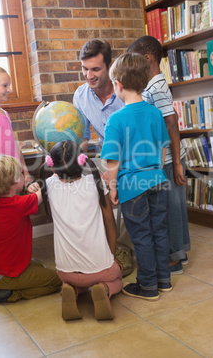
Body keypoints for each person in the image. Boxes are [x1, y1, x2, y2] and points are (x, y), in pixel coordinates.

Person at [101, 53, 171, 301]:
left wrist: (112, 189)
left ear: (118, 85)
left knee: (141, 235)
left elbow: (112, 162)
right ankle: (164, 280)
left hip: (133, 186)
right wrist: (156, 172)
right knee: (160, 232)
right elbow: (163, 148)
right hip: (159, 180)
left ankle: (148, 285)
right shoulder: (154, 114)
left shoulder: (115, 120)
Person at [35, 140, 122, 320]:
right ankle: (104, 289)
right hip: (100, 269)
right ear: (82, 162)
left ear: (52, 165)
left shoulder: (48, 186)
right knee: (117, 274)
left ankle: (71, 289)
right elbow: (110, 224)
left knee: (79, 278)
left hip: (65, 272)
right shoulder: (96, 182)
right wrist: (111, 256)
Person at [127, 36, 191, 274]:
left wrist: (176, 163)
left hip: (169, 160)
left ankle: (174, 257)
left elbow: (172, 125)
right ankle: (176, 253)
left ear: (146, 59)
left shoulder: (157, 87)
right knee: (169, 208)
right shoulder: (151, 86)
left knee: (172, 208)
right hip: (162, 159)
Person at [73, 40, 134, 276]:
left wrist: (114, 172)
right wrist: (76, 161)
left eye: (96, 69)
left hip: (132, 154)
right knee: (89, 188)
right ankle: (104, 247)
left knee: (129, 188)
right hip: (105, 153)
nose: (89, 75)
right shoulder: (81, 95)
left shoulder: (125, 92)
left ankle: (126, 249)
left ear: (108, 66)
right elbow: (83, 137)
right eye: (85, 69)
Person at [0, 154, 62, 304]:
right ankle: (12, 293)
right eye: (21, 173)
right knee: (55, 281)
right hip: (3, 276)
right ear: (14, 181)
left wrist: (31, 190)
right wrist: (55, 175)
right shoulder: (18, 205)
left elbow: (26, 200)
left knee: (37, 264)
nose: (23, 175)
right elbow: (44, 193)